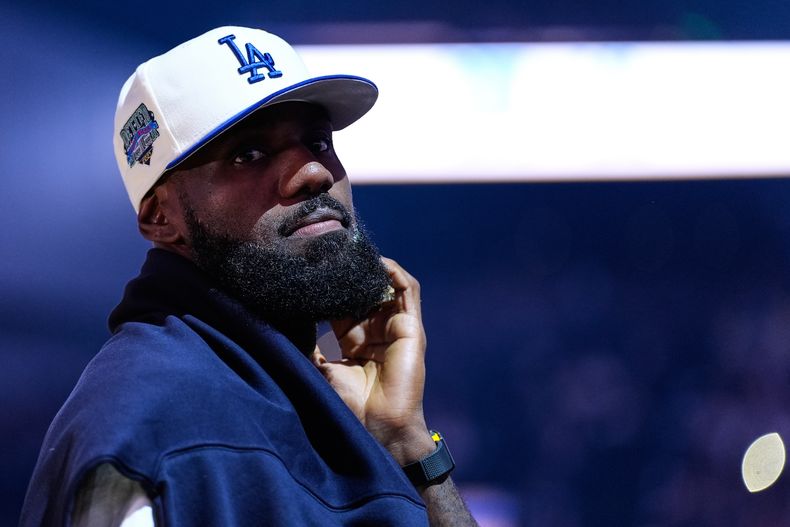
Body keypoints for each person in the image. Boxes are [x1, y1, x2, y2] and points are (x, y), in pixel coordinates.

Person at [19, 26, 477, 526]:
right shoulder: (149, 427)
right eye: (249, 154)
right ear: (161, 219)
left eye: (317, 141)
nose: (315, 174)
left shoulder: (316, 402)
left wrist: (407, 445)